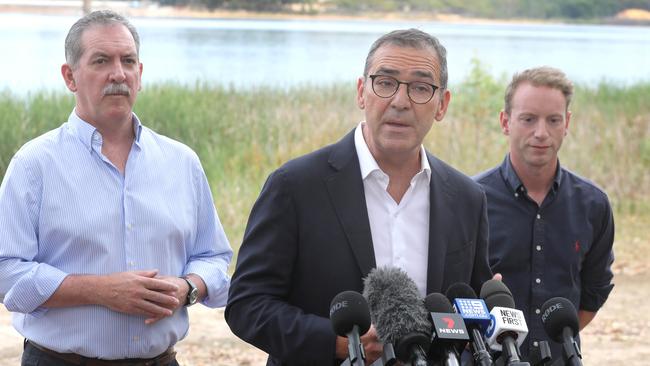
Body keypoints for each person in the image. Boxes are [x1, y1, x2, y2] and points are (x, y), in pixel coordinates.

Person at [225, 29, 492, 365]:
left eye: (421, 88)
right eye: (385, 82)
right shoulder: (295, 186)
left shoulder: (466, 198)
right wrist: (335, 343)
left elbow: (472, 305)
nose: (400, 101)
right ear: (361, 92)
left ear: (442, 105)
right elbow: (247, 305)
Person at [0, 10, 232, 366]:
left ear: (140, 74)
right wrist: (100, 291)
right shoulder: (34, 165)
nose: (118, 74)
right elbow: (6, 272)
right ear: (69, 77)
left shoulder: (182, 162)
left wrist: (187, 288)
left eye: (128, 61)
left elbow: (214, 258)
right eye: (101, 61)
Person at [474, 66, 615, 363]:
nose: (541, 133)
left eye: (553, 120)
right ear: (505, 121)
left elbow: (596, 289)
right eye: (528, 119)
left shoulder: (594, 205)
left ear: (567, 124)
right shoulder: (472, 200)